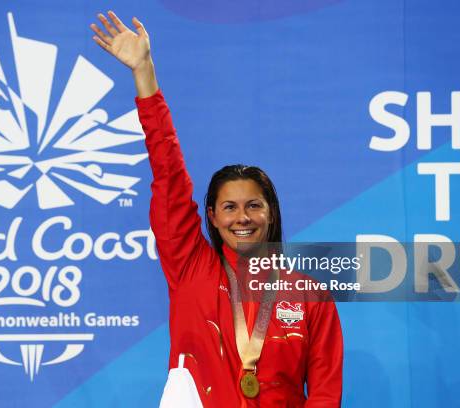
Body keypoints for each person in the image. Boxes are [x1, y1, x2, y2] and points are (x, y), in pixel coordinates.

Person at [91, 11, 343, 407]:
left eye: (253, 206)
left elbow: (325, 395)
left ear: (271, 213)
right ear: (212, 216)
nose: (242, 217)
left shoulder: (310, 295)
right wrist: (145, 75)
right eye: (229, 207)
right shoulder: (190, 267)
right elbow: (169, 174)